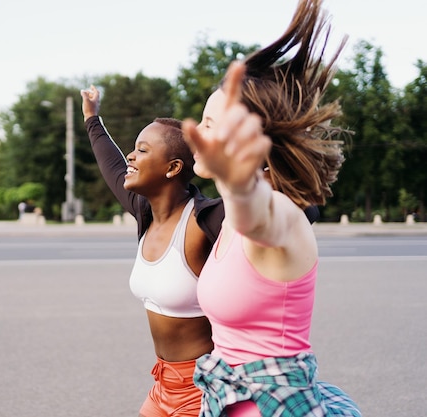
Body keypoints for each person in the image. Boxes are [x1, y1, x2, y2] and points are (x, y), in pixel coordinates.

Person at [181, 0, 361, 416]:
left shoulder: (280, 215)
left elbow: (255, 213)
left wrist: (240, 184)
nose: (199, 132)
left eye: (211, 123)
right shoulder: (225, 216)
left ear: (251, 139)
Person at [80, 86, 226, 417]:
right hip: (163, 384)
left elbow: (293, 210)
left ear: (172, 168)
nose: (131, 157)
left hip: (205, 389)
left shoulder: (207, 220)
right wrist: (92, 117)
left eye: (142, 151)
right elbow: (112, 164)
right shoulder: (146, 212)